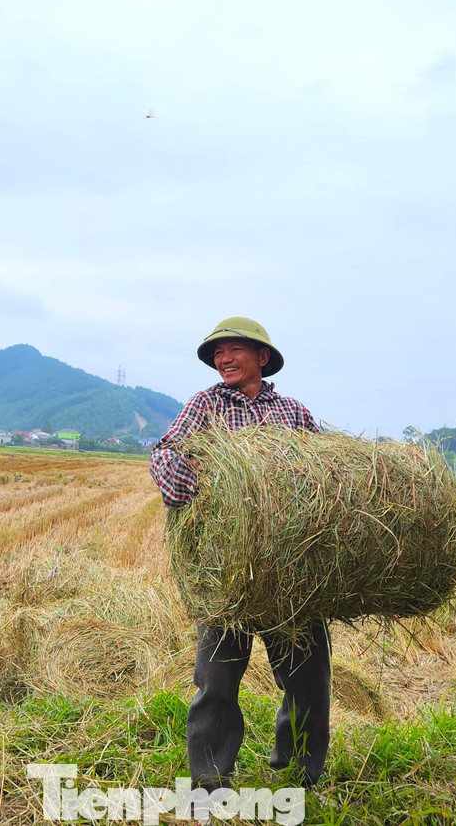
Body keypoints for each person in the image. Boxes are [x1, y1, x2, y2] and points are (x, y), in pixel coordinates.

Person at [150, 317, 329, 789]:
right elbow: (165, 453)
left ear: (262, 357)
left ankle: (300, 772)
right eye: (217, 353)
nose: (222, 360)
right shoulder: (205, 405)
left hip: (290, 569)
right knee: (216, 681)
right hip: (227, 570)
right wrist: (202, 493)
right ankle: (209, 784)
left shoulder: (293, 412)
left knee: (308, 678)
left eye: (232, 350)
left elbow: (328, 474)